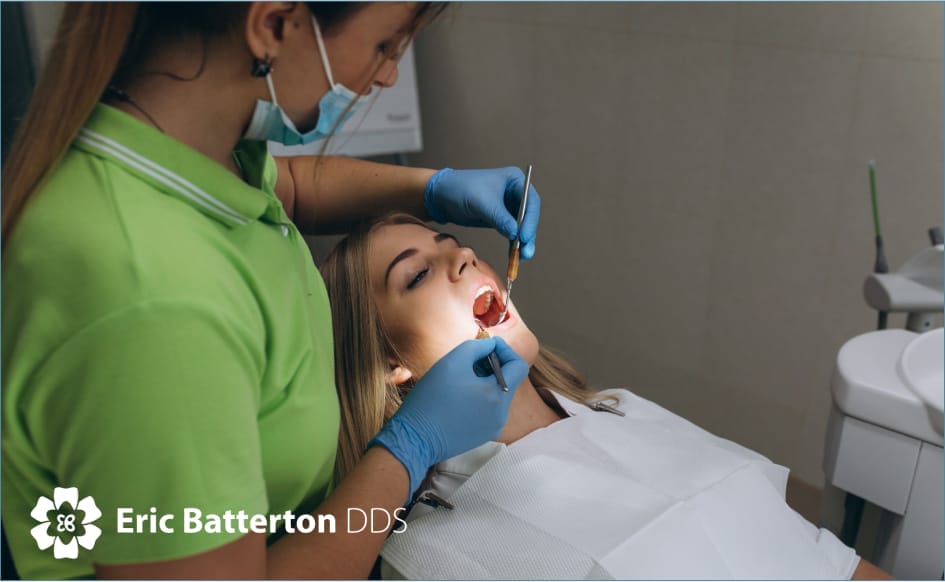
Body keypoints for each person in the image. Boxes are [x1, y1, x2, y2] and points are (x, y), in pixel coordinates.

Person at [1, 3, 540, 579]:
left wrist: (432, 188)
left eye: (446, 240)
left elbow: (288, 185)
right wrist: (407, 450)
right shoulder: (151, 303)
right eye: (385, 45)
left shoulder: (187, 143)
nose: (386, 75)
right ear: (273, 23)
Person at [320, 213, 894, 580]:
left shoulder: (619, 407)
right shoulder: (425, 553)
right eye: (416, 276)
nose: (464, 257)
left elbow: (830, 561)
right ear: (390, 364)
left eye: (455, 244)